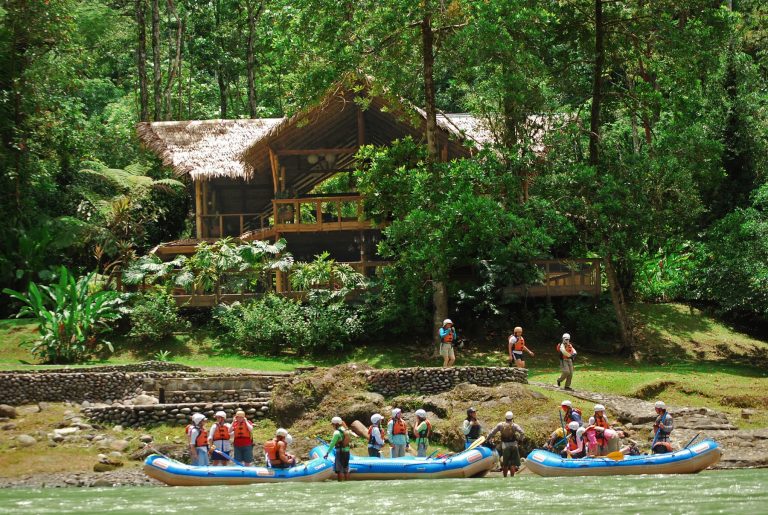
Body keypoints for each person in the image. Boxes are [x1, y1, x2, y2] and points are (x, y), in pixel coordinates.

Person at [486, 411, 525, 477]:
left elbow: (492, 433)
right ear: (512, 418)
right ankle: (512, 477)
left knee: (505, 463)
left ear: (505, 417)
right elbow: (522, 433)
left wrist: (487, 439)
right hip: (514, 445)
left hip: (505, 446)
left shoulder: (500, 425)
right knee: (513, 464)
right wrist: (520, 440)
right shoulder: (514, 425)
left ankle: (505, 477)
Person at [324, 417, 351, 481]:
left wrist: (327, 453)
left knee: (339, 470)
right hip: (347, 451)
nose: (332, 426)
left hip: (340, 452)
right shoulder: (346, 430)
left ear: (336, 424)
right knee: (346, 469)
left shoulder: (336, 432)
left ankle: (340, 483)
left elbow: (332, 443)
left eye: (333, 424)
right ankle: (347, 482)